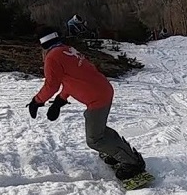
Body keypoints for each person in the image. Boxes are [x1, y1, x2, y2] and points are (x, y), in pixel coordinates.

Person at [26, 27, 146, 180]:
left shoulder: (52, 58)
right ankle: (119, 152)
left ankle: (132, 163)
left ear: (42, 45)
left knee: (95, 139)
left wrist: (36, 101)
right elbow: (74, 79)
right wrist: (59, 101)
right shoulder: (67, 50)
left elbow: (51, 85)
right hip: (104, 89)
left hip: (97, 99)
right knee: (99, 130)